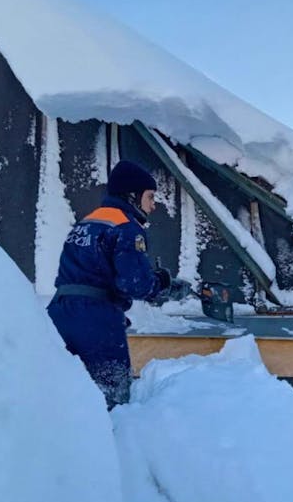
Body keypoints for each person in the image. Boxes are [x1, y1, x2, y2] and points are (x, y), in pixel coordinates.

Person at [47, 160, 193, 409]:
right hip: (96, 319)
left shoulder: (88, 222)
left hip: (58, 313)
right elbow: (135, 283)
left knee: (56, 391)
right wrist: (165, 285)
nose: (153, 205)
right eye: (150, 197)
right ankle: (108, 444)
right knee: (112, 396)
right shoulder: (127, 227)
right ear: (133, 196)